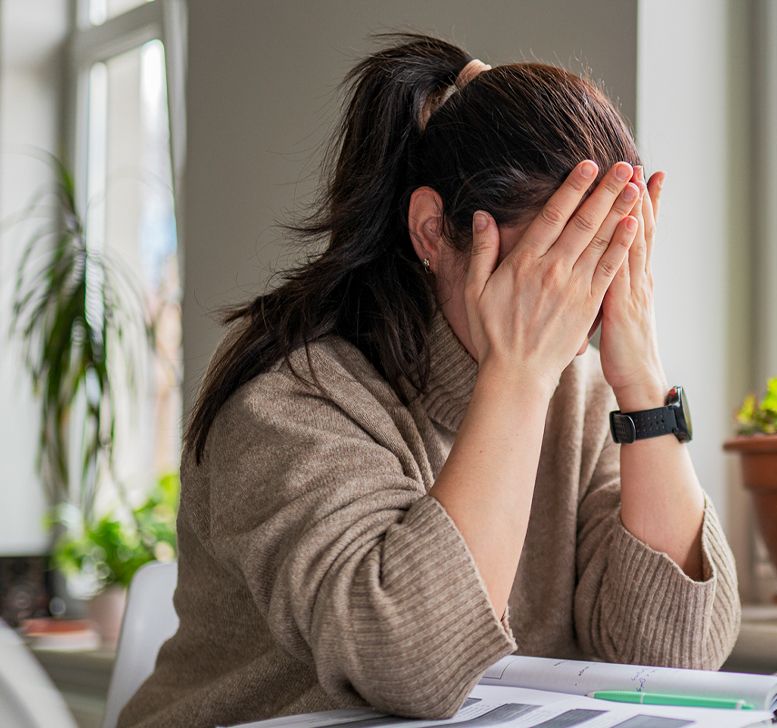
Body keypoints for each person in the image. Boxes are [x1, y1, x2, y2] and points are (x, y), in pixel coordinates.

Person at [119, 34, 740, 727]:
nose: (580, 316)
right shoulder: (291, 394)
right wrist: (518, 377)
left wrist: (643, 386)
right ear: (430, 232)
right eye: (550, 269)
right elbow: (408, 663)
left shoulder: (584, 391)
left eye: (605, 264)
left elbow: (674, 660)